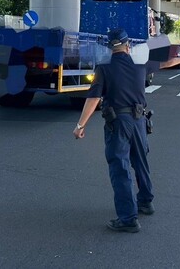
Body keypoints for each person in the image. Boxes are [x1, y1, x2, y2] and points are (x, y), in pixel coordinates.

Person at [73, 28, 154, 233]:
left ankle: (128, 218)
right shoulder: (140, 65)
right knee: (140, 161)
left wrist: (80, 125)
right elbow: (168, 61)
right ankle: (145, 202)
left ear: (110, 47)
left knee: (120, 167)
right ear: (128, 45)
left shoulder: (104, 68)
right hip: (139, 120)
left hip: (118, 122)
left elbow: (93, 98)